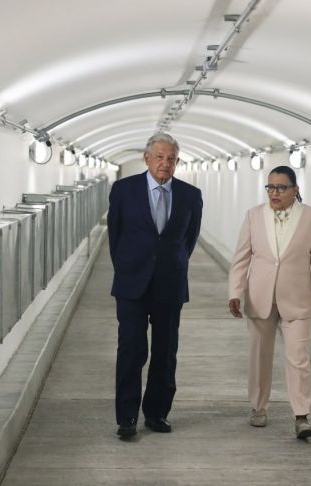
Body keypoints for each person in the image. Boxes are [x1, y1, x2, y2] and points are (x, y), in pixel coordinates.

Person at [227, 165, 311, 439]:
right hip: (260, 298)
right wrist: (235, 293)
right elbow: (241, 258)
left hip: (297, 300)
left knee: (299, 358)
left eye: (281, 188)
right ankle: (258, 408)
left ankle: (301, 416)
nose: (274, 193)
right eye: (270, 187)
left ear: (295, 189)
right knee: (259, 357)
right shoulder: (254, 216)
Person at [107, 132, 203, 439]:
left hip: (170, 284)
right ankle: (127, 417)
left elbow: (188, 240)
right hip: (132, 284)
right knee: (131, 349)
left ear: (178, 162)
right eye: (160, 157)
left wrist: (171, 265)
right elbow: (115, 236)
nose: (165, 163)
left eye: (171, 158)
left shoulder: (190, 195)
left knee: (166, 351)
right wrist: (129, 268)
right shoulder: (124, 190)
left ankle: (157, 413)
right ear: (147, 158)